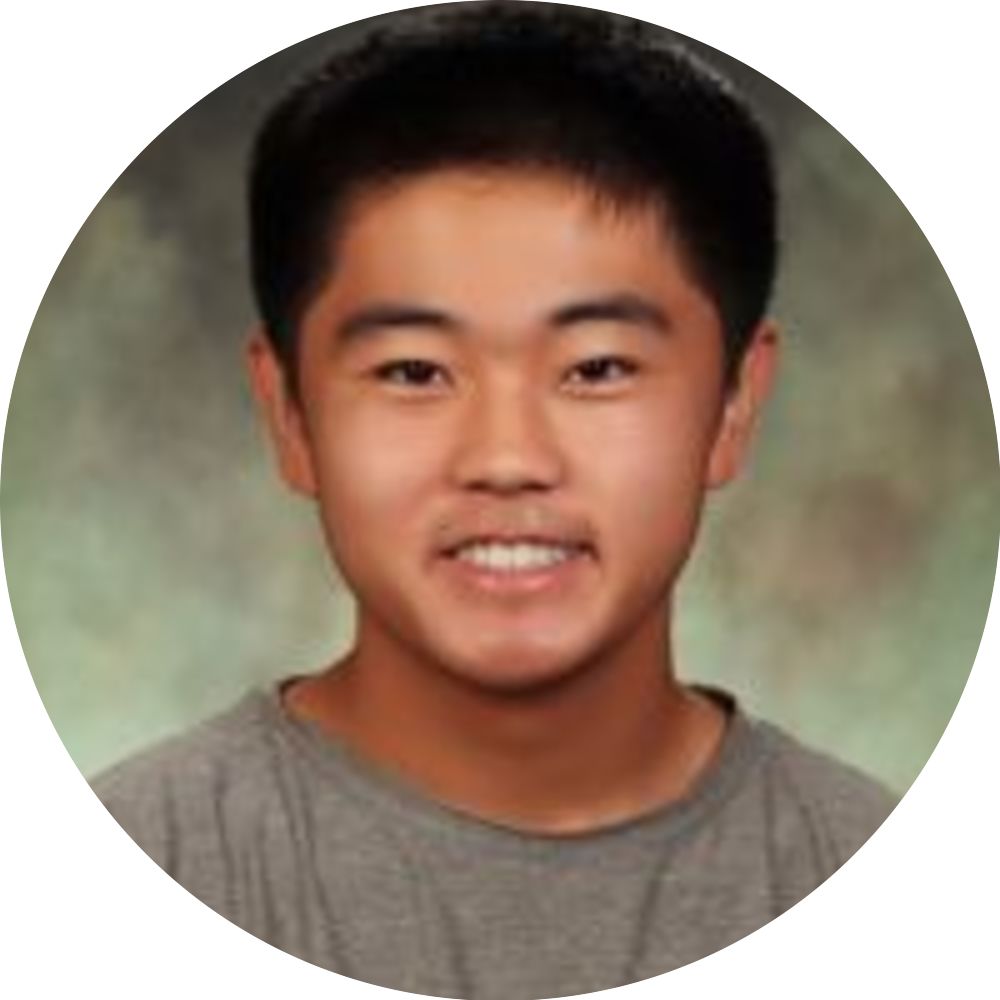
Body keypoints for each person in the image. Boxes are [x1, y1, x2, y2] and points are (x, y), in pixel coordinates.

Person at [93, 4, 895, 997]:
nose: (507, 459)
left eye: (597, 368)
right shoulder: (118, 871)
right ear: (289, 414)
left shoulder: (894, 883)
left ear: (734, 404)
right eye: (414, 372)